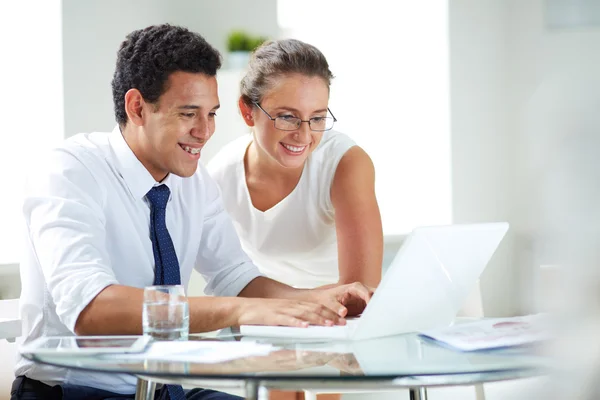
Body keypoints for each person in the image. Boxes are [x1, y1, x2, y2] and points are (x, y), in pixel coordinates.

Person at [12, 24, 372, 400]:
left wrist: (314, 301)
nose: (205, 131)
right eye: (188, 113)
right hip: (78, 390)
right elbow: (92, 311)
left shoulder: (193, 179)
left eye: (211, 114)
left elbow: (236, 277)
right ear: (137, 107)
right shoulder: (69, 171)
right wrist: (237, 312)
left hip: (163, 390)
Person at [207, 39, 383, 400]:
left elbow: (359, 295)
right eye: (287, 116)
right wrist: (276, 314)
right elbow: (223, 277)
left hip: (339, 324)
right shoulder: (221, 174)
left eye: (318, 118)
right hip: (267, 320)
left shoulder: (345, 164)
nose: (304, 135)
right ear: (247, 112)